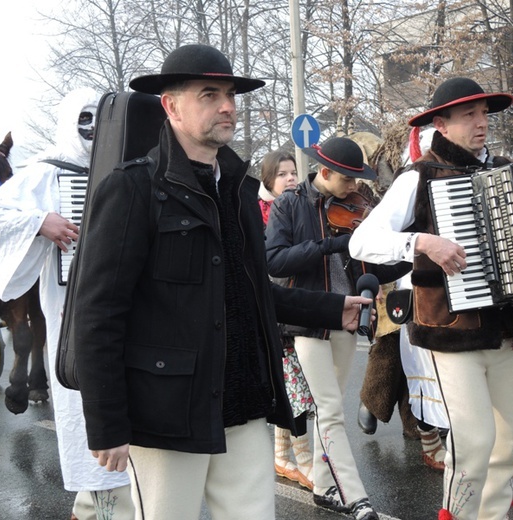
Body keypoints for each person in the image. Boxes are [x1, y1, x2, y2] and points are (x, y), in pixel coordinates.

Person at [69, 44, 373, 520]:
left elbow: (250, 293)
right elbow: (98, 314)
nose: (227, 105)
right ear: (171, 106)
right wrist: (106, 422)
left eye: (230, 94)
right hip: (167, 415)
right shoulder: (132, 189)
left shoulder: (238, 189)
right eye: (209, 94)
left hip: (245, 403)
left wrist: (334, 309)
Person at [349, 77, 513, 520]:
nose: (482, 123)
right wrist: (424, 242)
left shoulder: (509, 169)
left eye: (484, 114)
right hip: (451, 333)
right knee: (473, 441)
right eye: (470, 115)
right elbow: (361, 243)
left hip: (509, 330)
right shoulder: (419, 177)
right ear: (441, 124)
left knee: (504, 444)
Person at [0, 88, 135, 520]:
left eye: (101, 120)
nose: (93, 130)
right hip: (74, 307)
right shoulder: (45, 174)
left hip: (133, 307)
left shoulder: (132, 167)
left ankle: (109, 504)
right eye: (84, 120)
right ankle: (98, 506)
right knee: (88, 403)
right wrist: (38, 222)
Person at [265, 136, 410, 520]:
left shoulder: (358, 207)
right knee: (329, 410)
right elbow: (275, 261)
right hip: (307, 320)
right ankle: (354, 495)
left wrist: (411, 254)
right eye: (348, 179)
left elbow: (377, 268)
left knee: (330, 409)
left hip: (347, 319)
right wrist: (330, 244)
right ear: (325, 173)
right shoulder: (289, 203)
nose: (355, 187)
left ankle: (326, 488)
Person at [258, 150, 313, 490]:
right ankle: (303, 459)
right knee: (294, 389)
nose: (291, 179)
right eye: (282, 174)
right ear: (268, 181)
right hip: (272, 313)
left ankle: (281, 456)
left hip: (297, 306)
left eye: (293, 172)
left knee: (292, 389)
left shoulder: (299, 209)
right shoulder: (258, 213)